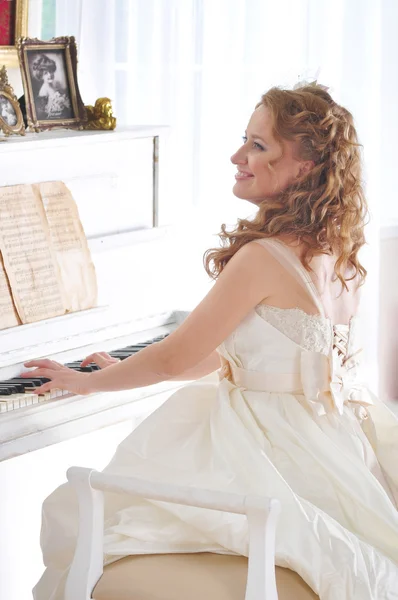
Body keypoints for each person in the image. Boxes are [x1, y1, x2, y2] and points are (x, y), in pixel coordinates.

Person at [27, 84, 398, 600]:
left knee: (102, 510)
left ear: (304, 167)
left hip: (269, 447)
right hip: (327, 439)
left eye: (258, 146)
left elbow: (175, 357)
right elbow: (237, 355)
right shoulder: (339, 251)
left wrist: (89, 384)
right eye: (244, 140)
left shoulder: (266, 256)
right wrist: (117, 366)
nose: (237, 156)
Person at [31, 54, 72, 120]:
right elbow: (45, 113)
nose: (50, 75)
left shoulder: (54, 85)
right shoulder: (43, 91)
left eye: (51, 71)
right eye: (46, 73)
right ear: (41, 76)